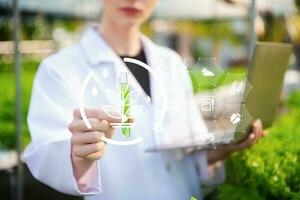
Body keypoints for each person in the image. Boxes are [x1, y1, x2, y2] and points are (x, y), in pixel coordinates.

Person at [24, 0, 266, 199]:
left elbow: (187, 150)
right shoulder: (61, 69)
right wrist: (78, 155)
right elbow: (47, 154)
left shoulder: (170, 62)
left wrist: (222, 149)